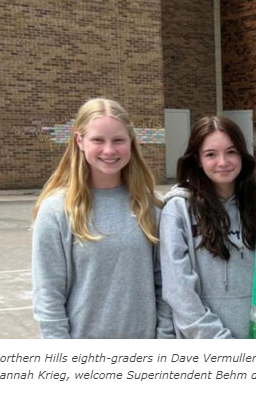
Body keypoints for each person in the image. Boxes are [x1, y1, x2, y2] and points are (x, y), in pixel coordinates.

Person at [32, 98, 171, 339]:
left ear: (131, 142)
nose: (109, 150)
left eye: (118, 140)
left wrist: (165, 339)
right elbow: (48, 297)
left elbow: (166, 286)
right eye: (98, 140)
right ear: (79, 141)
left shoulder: (152, 206)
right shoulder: (56, 210)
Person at [159, 116, 256, 338]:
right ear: (198, 159)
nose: (223, 162)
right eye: (211, 154)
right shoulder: (178, 210)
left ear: (242, 155)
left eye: (231, 152)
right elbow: (179, 291)